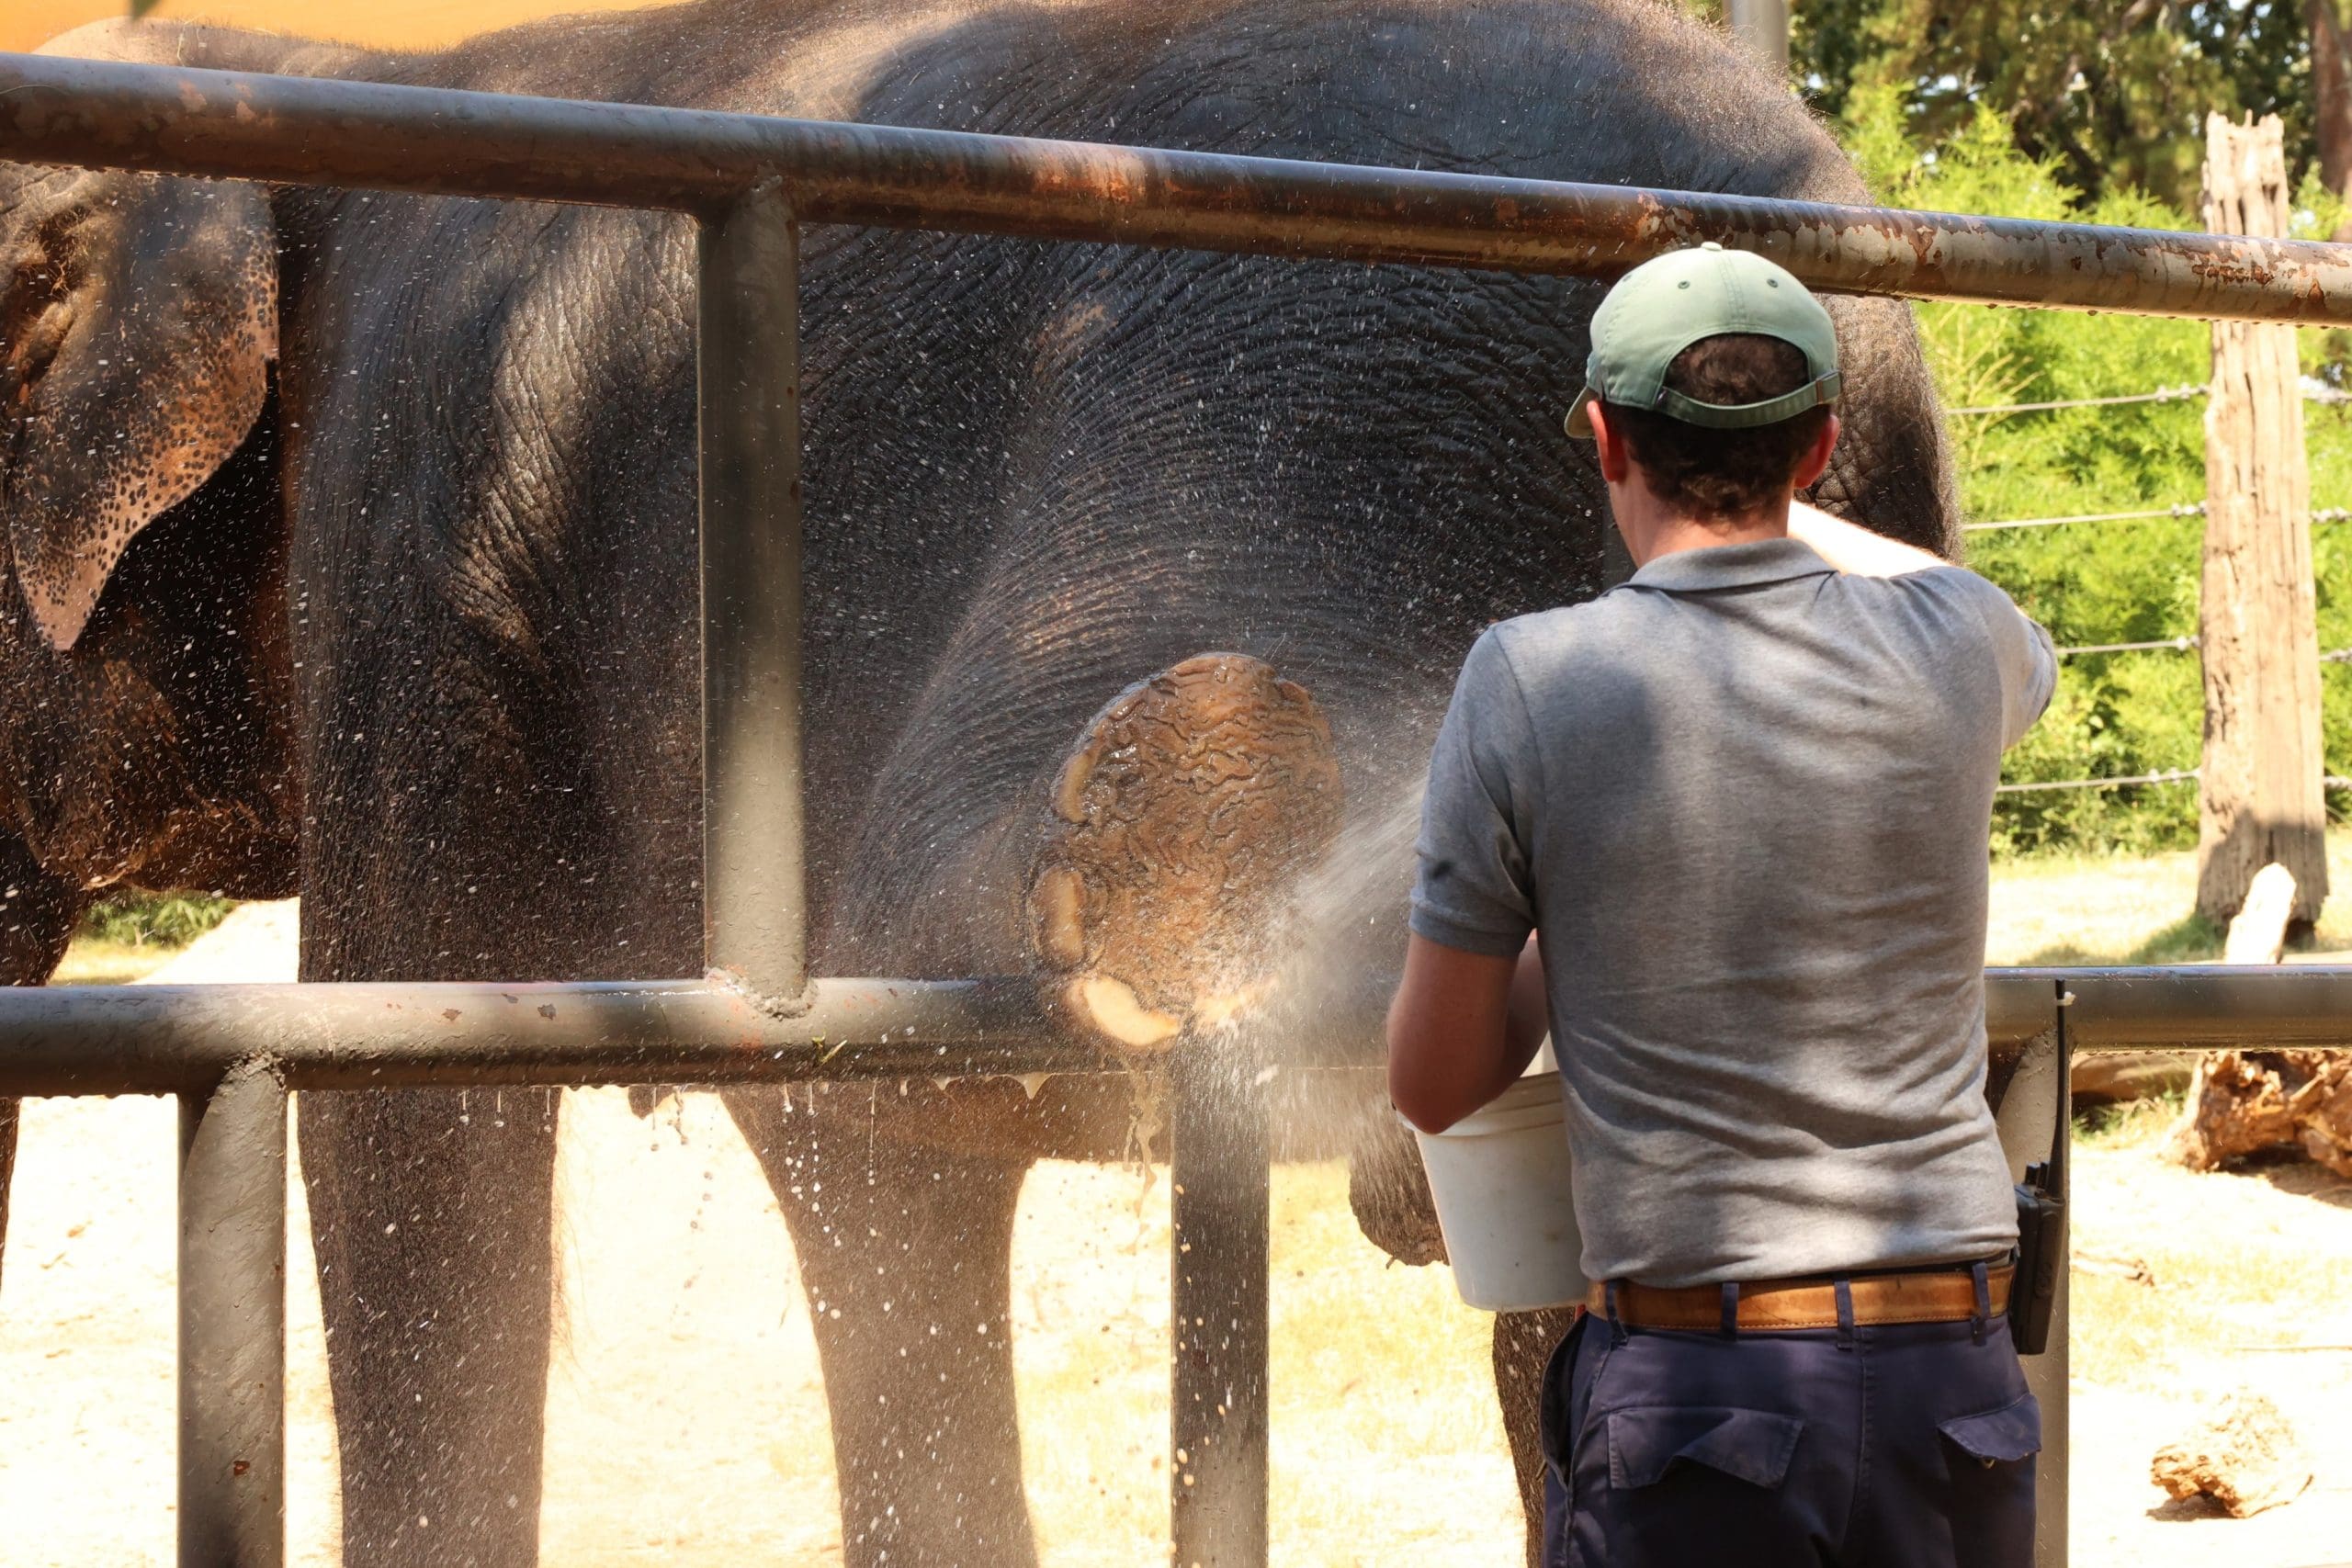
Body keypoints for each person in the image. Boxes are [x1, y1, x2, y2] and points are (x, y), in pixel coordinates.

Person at [1385, 243, 2057, 1568]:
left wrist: (1569, 919)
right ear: (1822, 448)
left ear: (1603, 440)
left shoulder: (1530, 678)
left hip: (1702, 1398)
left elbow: (1434, 1082)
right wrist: (1781, 496)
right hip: (1954, 1384)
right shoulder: (1964, 640)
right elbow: (1974, 607)